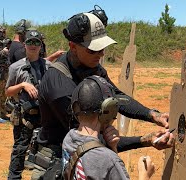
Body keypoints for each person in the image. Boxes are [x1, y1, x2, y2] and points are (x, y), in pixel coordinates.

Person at [32, 9, 174, 179]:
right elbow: (95, 139)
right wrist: (145, 140)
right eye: (94, 50)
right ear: (72, 47)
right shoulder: (59, 85)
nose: (101, 54)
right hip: (57, 159)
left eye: (102, 48)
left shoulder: (92, 67)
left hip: (82, 153)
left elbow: (116, 96)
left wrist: (152, 115)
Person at [62, 75, 158, 179]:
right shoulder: (108, 159)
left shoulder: (69, 139)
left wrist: (112, 147)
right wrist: (145, 175)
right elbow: (106, 163)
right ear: (108, 109)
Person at [5, 29, 52, 179]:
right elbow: (7, 91)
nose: (33, 45)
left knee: (45, 151)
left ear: (41, 45)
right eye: (30, 42)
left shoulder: (49, 66)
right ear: (24, 45)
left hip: (45, 116)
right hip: (25, 118)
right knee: (19, 150)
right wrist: (22, 85)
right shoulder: (15, 67)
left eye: (36, 42)